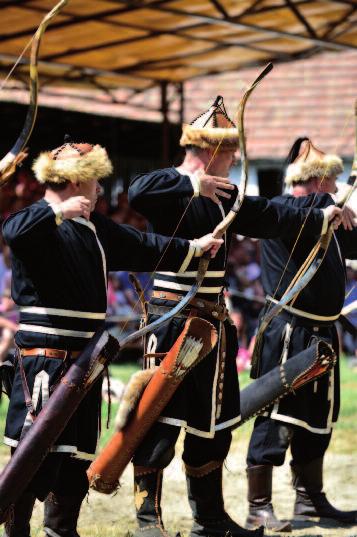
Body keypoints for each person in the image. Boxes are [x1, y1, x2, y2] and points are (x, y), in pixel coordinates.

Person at [128, 100, 343, 537]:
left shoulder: (226, 192)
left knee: (214, 425)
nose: (235, 162)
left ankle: (209, 520)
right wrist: (191, 185)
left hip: (213, 324)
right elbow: (137, 192)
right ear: (210, 151)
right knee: (159, 419)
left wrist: (321, 215)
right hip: (173, 319)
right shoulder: (169, 185)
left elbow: (269, 215)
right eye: (229, 155)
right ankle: (148, 520)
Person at [1, 138, 222, 537]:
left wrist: (194, 248)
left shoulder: (92, 226)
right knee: (34, 460)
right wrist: (56, 210)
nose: (101, 188)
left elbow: (142, 245)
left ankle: (61, 531)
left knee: (74, 462)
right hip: (45, 359)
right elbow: (13, 231)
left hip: (84, 361)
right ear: (76, 180)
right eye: (96, 180)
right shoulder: (36, 218)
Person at [245, 138, 357, 532]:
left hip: (321, 333)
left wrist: (347, 215)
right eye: (331, 179)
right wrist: (333, 208)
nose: (335, 186)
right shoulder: (285, 211)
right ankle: (258, 506)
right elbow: (300, 211)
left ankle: (310, 503)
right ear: (317, 179)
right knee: (277, 418)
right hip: (287, 333)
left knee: (317, 420)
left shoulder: (328, 213)